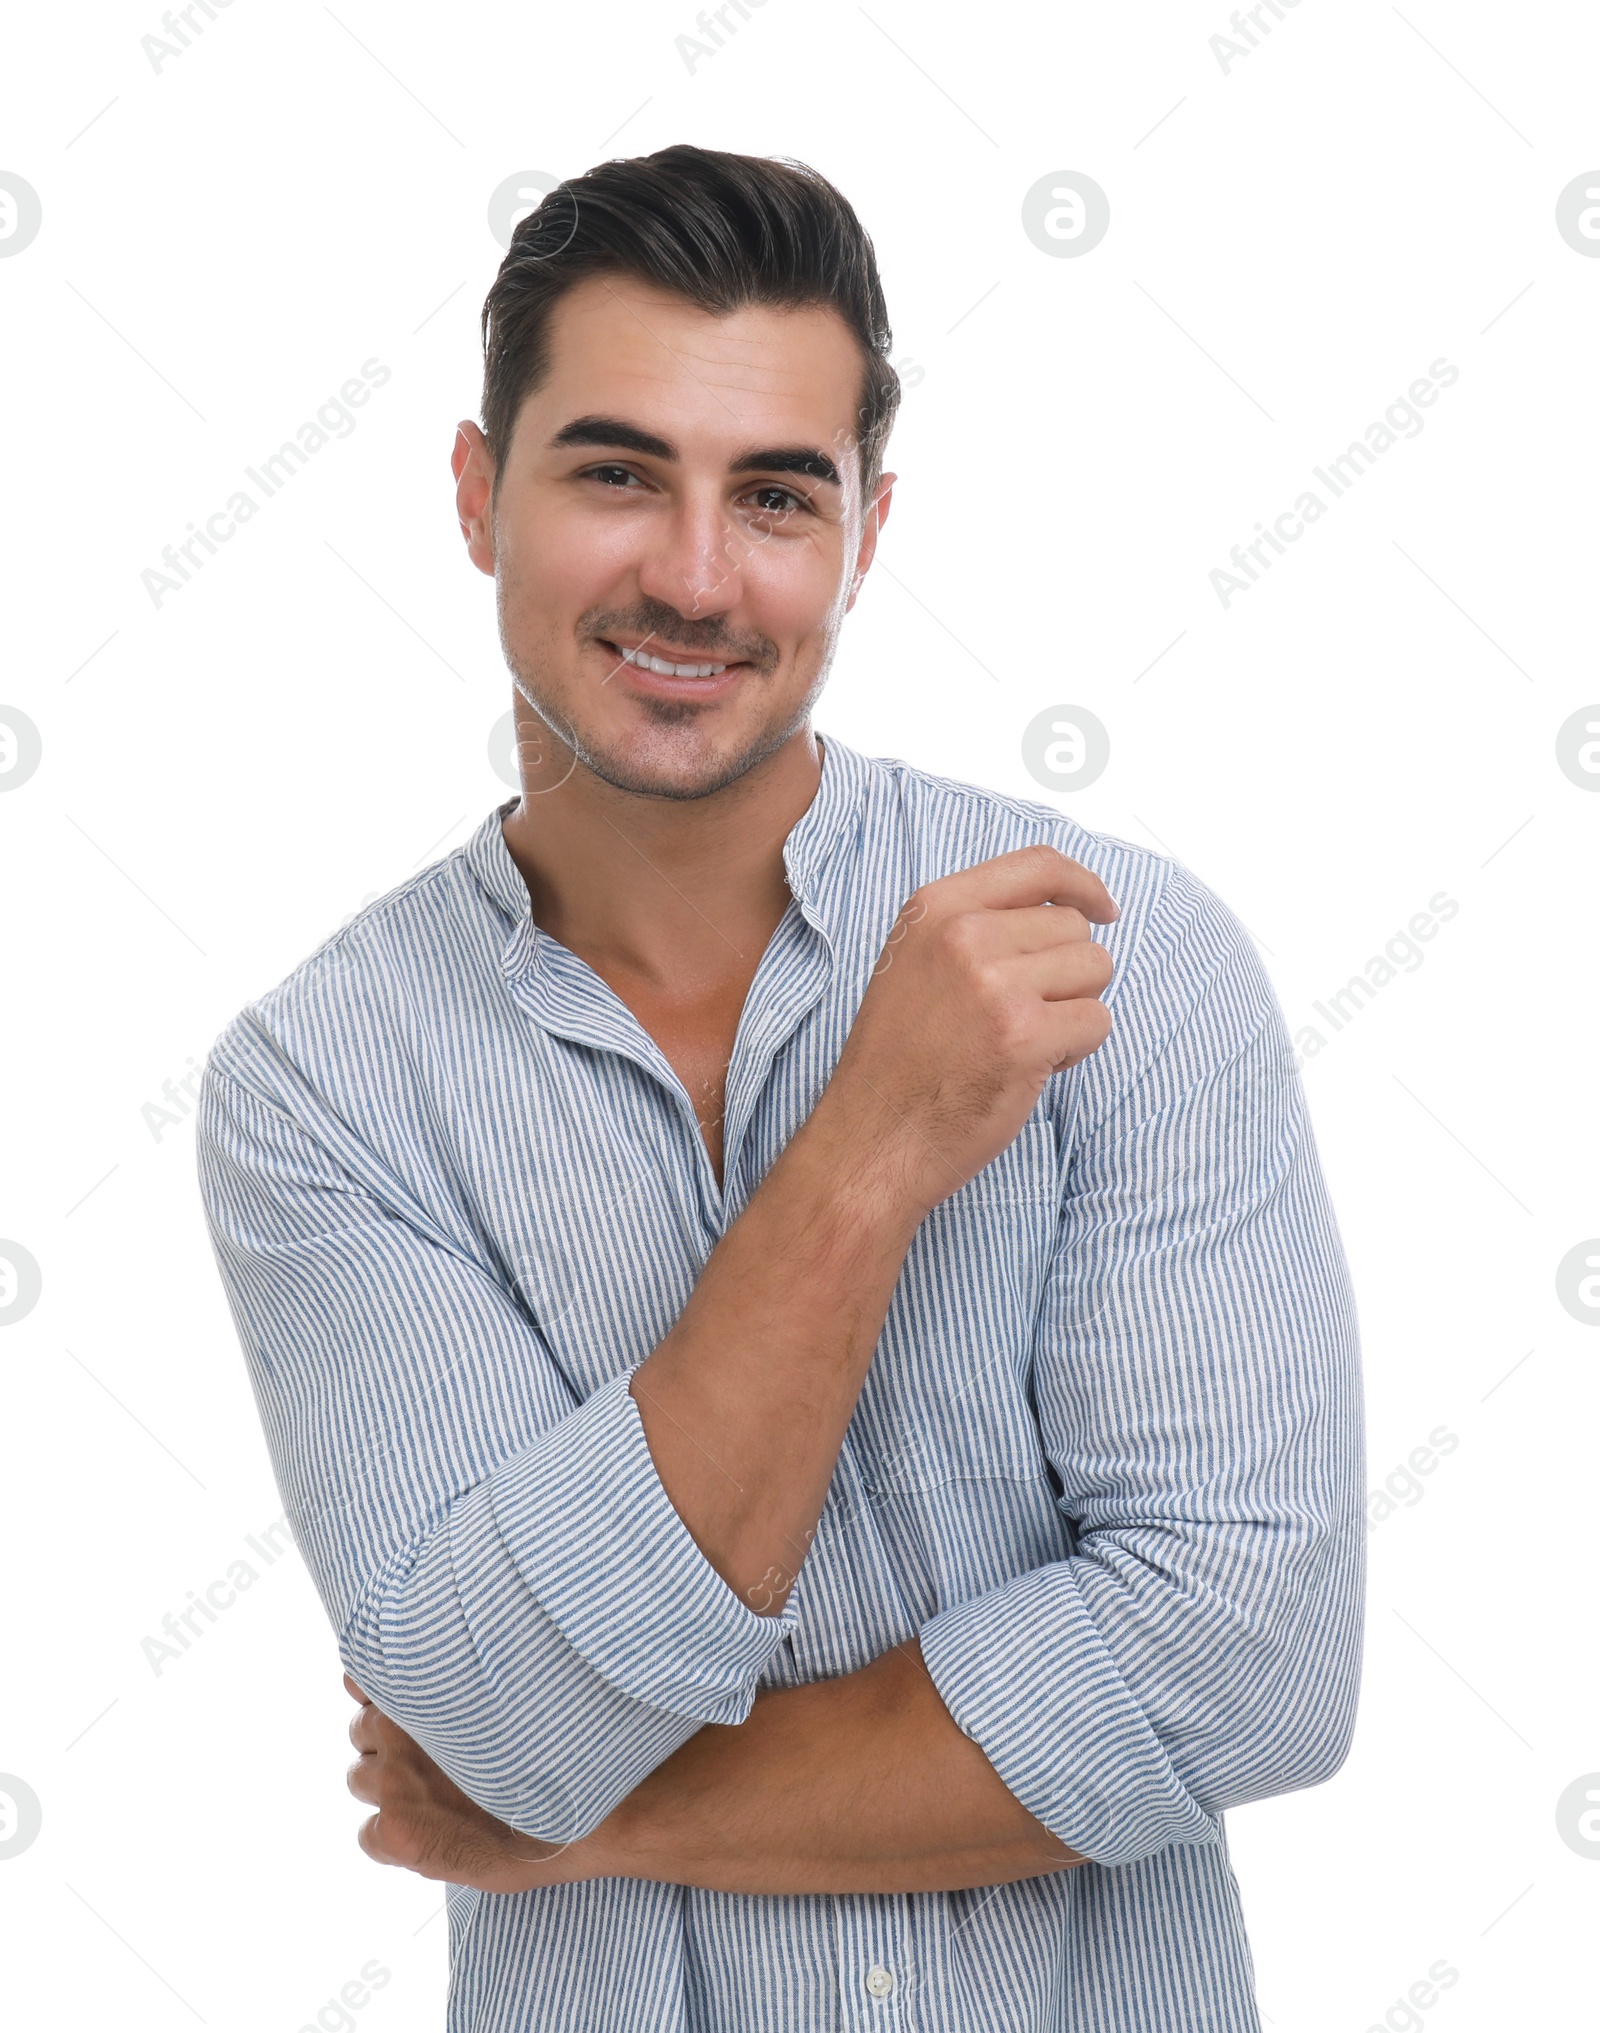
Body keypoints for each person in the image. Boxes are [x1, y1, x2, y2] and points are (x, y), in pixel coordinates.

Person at [195, 143, 1365, 2033]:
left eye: (775, 494)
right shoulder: (324, 1090)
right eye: (615, 471)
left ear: (868, 532)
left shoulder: (1116, 954)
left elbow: (1247, 1667)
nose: (696, 574)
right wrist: (868, 1151)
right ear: (481, 497)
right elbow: (496, 1716)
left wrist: (579, 1822)